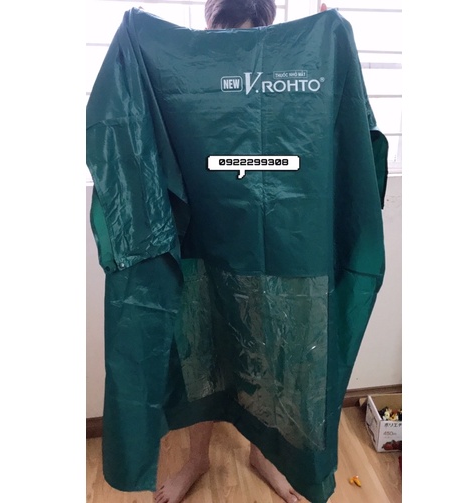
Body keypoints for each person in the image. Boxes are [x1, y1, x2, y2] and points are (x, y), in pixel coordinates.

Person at [155, 2, 327, 502]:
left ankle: (262, 453)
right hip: (203, 233)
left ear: (265, 31)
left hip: (266, 236)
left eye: (245, 34)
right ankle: (196, 458)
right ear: (208, 25)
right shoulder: (188, 75)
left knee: (267, 344)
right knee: (202, 345)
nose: (232, 44)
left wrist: (325, 44)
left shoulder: (287, 78)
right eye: (222, 31)